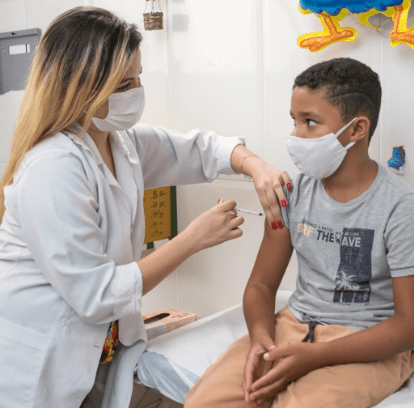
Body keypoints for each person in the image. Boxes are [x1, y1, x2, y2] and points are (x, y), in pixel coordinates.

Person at [0, 7, 292, 408]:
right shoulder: (52, 168)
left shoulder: (120, 142)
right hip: (42, 363)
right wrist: (192, 239)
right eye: (123, 83)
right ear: (79, 87)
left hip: (101, 350)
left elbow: (197, 150)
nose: (137, 90)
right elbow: (97, 295)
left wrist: (255, 165)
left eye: (139, 76)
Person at [184, 57, 414, 408]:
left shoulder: (399, 207)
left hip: (365, 342)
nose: (295, 136)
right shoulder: (291, 194)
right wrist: (262, 340)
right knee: (205, 403)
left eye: (310, 123)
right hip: (291, 327)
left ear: (356, 129)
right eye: (294, 121)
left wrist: (314, 357)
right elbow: (261, 285)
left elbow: (407, 324)